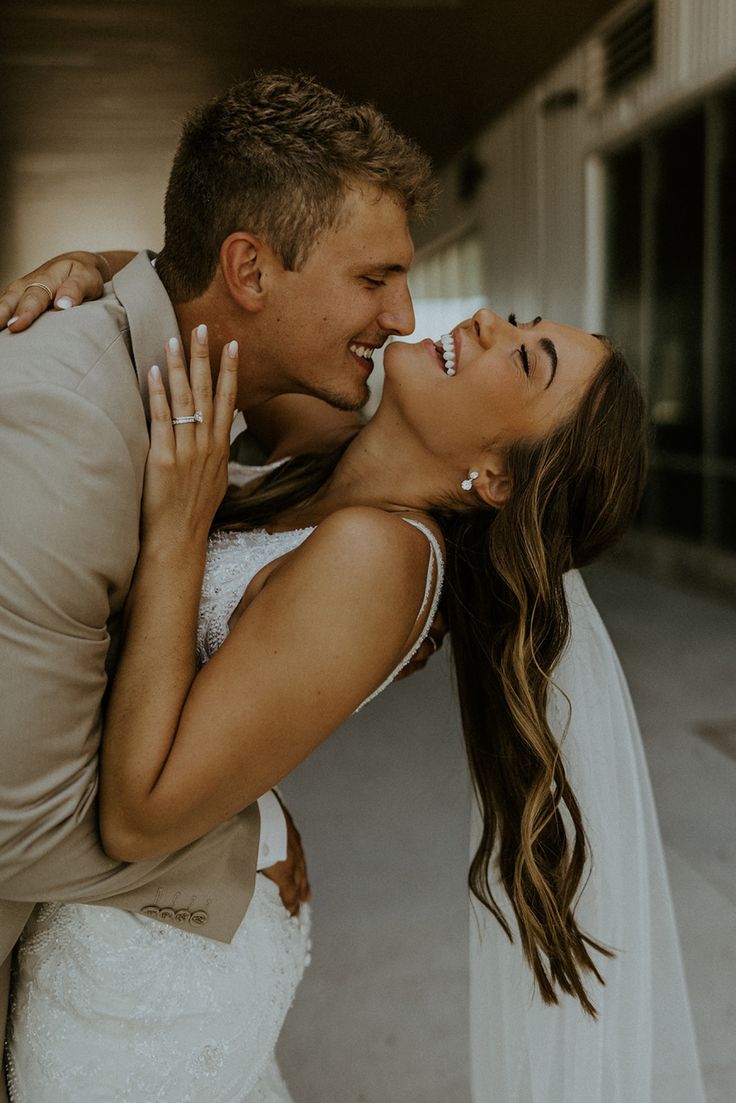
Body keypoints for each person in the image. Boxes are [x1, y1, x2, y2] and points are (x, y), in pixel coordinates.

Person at [4, 295, 705, 1100]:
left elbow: (140, 816)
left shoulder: (384, 559)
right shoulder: (320, 442)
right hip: (114, 896)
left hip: (144, 968)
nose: (485, 323)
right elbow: (207, 292)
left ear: (500, 476)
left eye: (523, 357)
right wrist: (90, 274)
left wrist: (178, 529)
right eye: (519, 320)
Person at [0, 71, 436, 1100]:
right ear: (248, 266)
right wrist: (239, 852)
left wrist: (118, 272)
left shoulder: (241, 391)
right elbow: (14, 822)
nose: (406, 316)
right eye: (375, 277)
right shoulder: (67, 431)